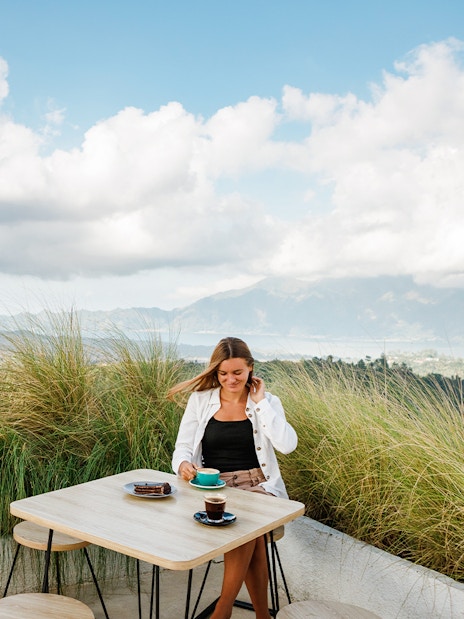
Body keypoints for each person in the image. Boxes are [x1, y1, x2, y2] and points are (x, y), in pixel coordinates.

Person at [169, 337, 298, 619]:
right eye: (223, 373)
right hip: (215, 488)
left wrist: (261, 402)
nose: (230, 380)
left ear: (251, 369)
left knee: (242, 526)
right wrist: (183, 465)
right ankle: (262, 616)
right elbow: (183, 448)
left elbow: (287, 445)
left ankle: (223, 609)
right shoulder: (200, 400)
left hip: (260, 487)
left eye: (238, 372)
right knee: (247, 529)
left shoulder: (268, 402)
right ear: (216, 372)